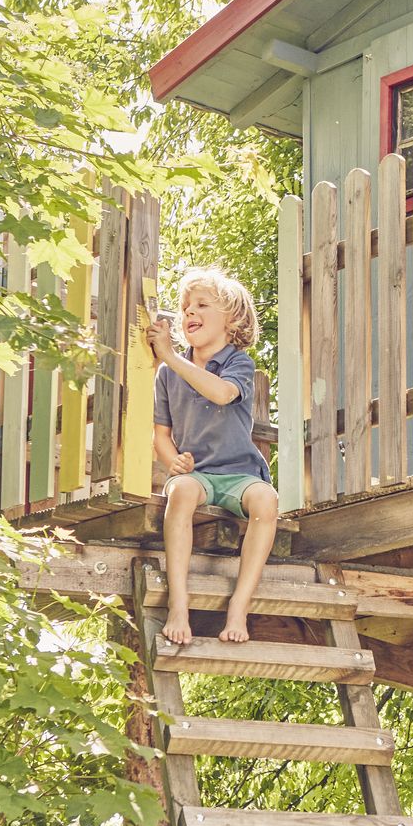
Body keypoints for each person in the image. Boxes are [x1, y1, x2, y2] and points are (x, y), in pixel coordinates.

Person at [147, 267, 280, 648]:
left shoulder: (238, 363)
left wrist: (170, 356)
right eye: (186, 306)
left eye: (202, 304)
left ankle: (239, 606)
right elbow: (161, 436)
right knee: (182, 492)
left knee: (266, 501)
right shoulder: (166, 375)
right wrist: (172, 461)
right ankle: (179, 605)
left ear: (232, 321)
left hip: (239, 474)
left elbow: (222, 394)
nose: (190, 312)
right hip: (198, 476)